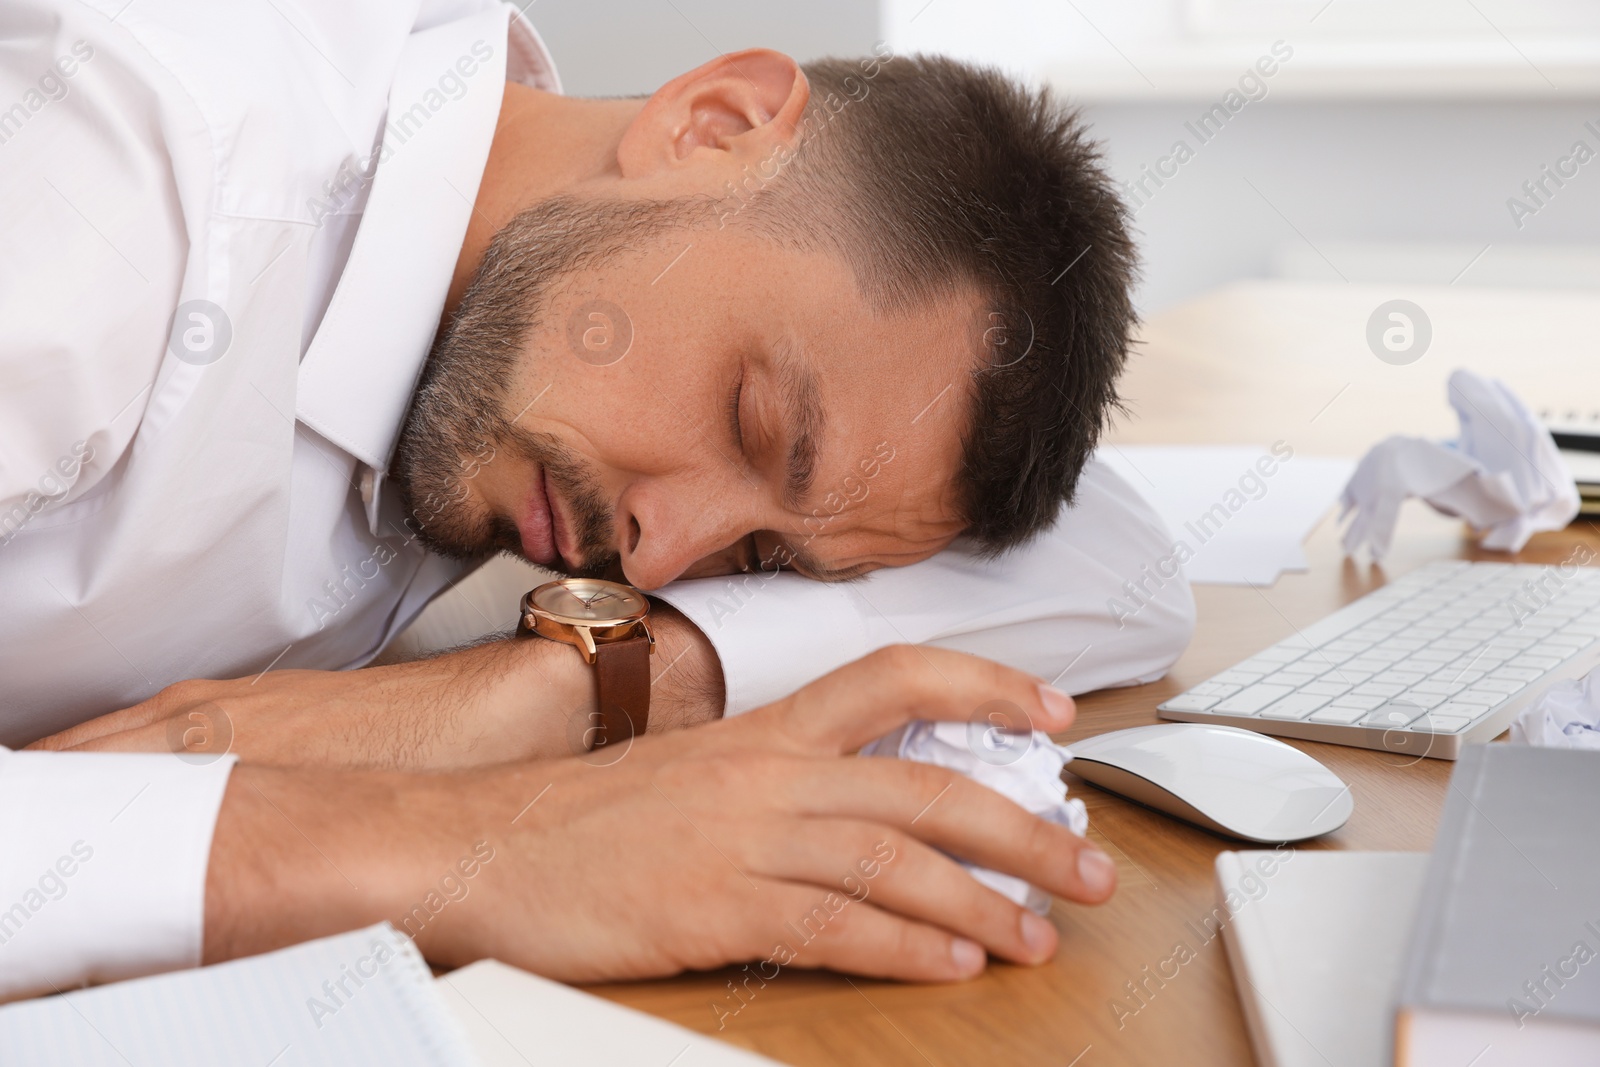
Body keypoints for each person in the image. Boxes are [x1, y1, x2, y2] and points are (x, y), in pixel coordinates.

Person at [0, 0, 1193, 1000]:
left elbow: (1126, 565)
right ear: (711, 125)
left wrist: (579, 682)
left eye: (762, 556)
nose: (659, 555)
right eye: (751, 419)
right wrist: (482, 844)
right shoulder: (125, 165)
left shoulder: (524, 334)